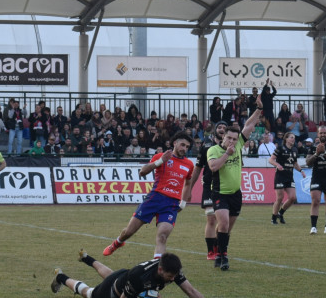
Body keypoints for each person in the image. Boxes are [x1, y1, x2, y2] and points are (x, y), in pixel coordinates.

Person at [103, 132, 194, 259]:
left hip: (171, 204)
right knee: (129, 232)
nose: (184, 148)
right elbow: (142, 172)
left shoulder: (189, 164)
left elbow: (188, 183)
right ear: (175, 143)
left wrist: (183, 202)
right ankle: (117, 243)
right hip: (154, 199)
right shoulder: (160, 156)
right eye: (182, 145)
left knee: (162, 236)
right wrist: (161, 161)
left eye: (187, 147)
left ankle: (156, 267)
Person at [51, 249, 230, 298]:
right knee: (88, 292)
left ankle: (86, 258)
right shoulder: (140, 276)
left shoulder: (172, 269)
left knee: (109, 274)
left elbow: (189, 290)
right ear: (160, 270)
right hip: (113, 292)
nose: (172, 279)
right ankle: (62, 277)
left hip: (123, 276)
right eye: (169, 276)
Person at [206, 99, 263, 270]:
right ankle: (224, 257)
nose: (231, 141)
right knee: (222, 224)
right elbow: (213, 167)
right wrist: (227, 155)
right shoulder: (213, 150)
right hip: (219, 193)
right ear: (223, 136)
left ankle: (218, 251)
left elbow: (250, 123)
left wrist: (259, 108)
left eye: (234, 139)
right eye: (229, 138)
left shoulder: (238, 144)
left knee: (227, 229)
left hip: (236, 194)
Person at [184, 121, 228, 261]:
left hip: (225, 188)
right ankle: (211, 252)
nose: (222, 129)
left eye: (224, 128)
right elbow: (197, 169)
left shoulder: (231, 148)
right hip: (209, 187)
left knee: (223, 221)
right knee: (211, 219)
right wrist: (190, 188)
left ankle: (218, 247)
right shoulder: (206, 146)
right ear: (215, 130)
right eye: (219, 127)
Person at [268, 132, 303, 225]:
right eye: (291, 137)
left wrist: (301, 171)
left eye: (294, 138)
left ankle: (281, 213)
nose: (293, 139)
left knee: (292, 197)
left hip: (289, 176)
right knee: (280, 198)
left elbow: (295, 163)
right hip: (280, 176)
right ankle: (273, 218)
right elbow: (271, 159)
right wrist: (277, 165)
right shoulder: (280, 148)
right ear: (286, 139)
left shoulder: (295, 150)